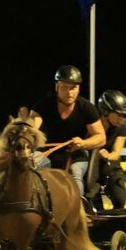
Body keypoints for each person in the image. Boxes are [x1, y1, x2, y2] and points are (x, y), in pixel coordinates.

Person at [29, 64, 106, 195]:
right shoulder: (43, 106)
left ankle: (79, 205)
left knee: (75, 174)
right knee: (33, 168)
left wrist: (83, 143)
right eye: (65, 87)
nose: (70, 92)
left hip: (76, 152)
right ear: (57, 87)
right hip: (47, 151)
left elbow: (101, 137)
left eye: (73, 88)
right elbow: (31, 127)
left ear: (79, 89)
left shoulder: (87, 108)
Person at [88, 89, 126, 210]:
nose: (122, 119)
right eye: (119, 115)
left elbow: (116, 153)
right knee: (92, 198)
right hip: (91, 164)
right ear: (106, 112)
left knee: (120, 198)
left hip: (110, 164)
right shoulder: (91, 124)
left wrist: (107, 156)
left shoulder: (121, 128)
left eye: (124, 116)